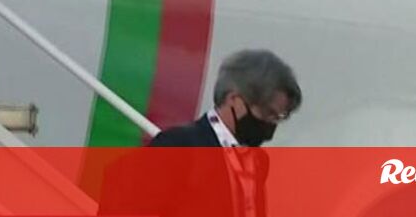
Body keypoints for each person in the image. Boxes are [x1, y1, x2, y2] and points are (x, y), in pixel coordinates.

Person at [99, 49, 302, 217]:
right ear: (234, 100)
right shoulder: (178, 147)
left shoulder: (257, 162)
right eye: (266, 113)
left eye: (278, 117)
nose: (271, 124)